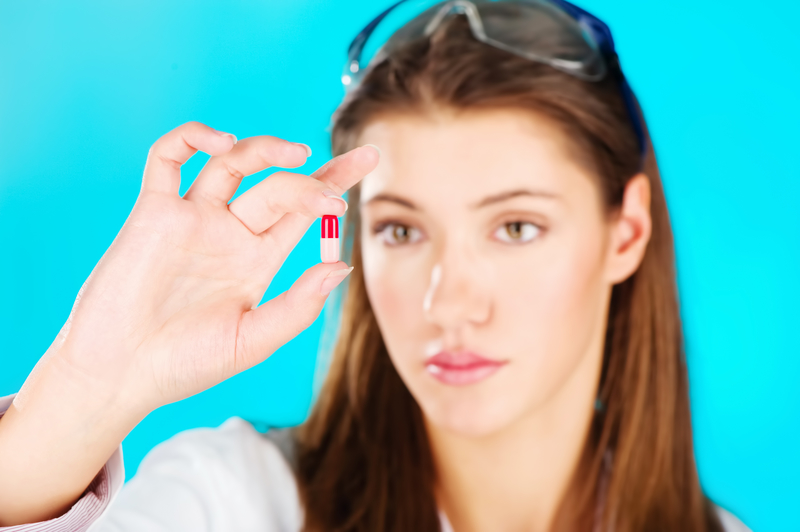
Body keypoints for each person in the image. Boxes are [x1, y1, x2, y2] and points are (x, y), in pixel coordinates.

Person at [0, 1, 750, 531]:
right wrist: (83, 389)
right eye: (399, 229)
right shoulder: (233, 502)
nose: (448, 302)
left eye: (516, 227)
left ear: (626, 234)